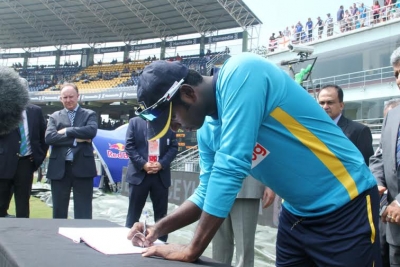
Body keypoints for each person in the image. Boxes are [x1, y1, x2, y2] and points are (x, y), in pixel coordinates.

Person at [128, 53, 381, 266]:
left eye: (173, 119)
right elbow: (206, 191)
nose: (175, 129)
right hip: (296, 217)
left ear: (188, 93)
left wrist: (192, 249)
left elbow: (231, 166)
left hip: (346, 207)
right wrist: (158, 229)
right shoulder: (208, 131)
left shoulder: (242, 72)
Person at [45, 83, 98, 219]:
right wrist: (76, 139)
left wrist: (67, 131)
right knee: (58, 210)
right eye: (65, 97)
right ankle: (58, 238)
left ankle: (84, 237)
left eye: (71, 97)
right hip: (59, 170)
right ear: (60, 98)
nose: (68, 100)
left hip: (83, 168)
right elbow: (49, 138)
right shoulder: (54, 116)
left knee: (84, 211)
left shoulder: (89, 114)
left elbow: (91, 131)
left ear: (78, 96)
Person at [0, 77, 48, 218]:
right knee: (1, 203)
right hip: (4, 163)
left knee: (23, 203)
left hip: (26, 163)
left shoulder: (36, 111)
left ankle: (23, 235)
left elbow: (42, 137)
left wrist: (37, 158)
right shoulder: (3, 110)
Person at [369, 46, 400, 267]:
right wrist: (377, 182)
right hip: (394, 228)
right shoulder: (393, 116)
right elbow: (379, 158)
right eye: (396, 74)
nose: (399, 79)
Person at [124, 116, 178, 242]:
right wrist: (143, 164)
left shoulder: (168, 122)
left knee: (161, 216)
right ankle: (128, 242)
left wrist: (161, 164)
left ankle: (162, 244)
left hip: (160, 176)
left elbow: (174, 147)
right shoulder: (135, 122)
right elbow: (129, 146)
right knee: (133, 215)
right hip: (139, 174)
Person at [212, 177, 275, 267]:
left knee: (244, 250)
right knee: (219, 248)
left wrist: (270, 183)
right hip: (217, 184)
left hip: (247, 186)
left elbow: (270, 162)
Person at [317, 84, 374, 165]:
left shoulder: (359, 131)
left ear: (341, 105)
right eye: (322, 103)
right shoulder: (313, 129)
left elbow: (367, 165)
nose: (325, 107)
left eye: (330, 102)